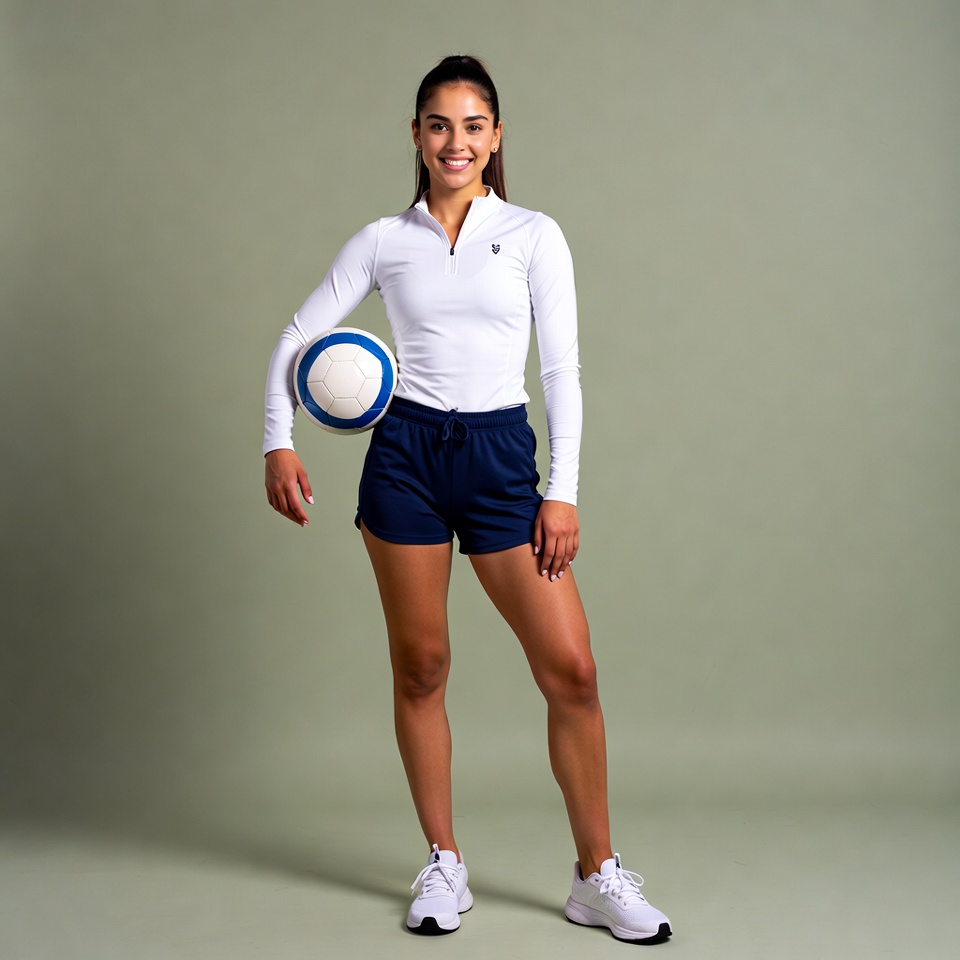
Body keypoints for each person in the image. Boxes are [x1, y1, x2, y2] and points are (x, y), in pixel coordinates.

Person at [263, 55, 672, 945]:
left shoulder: (532, 234)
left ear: (496, 137)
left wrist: (561, 492)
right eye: (439, 124)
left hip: (500, 461)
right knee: (422, 667)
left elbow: (561, 371)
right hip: (405, 457)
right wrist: (277, 438)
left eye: (473, 125)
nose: (456, 141)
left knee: (573, 670)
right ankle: (444, 861)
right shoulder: (383, 240)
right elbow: (299, 335)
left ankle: (596, 875)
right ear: (416, 135)